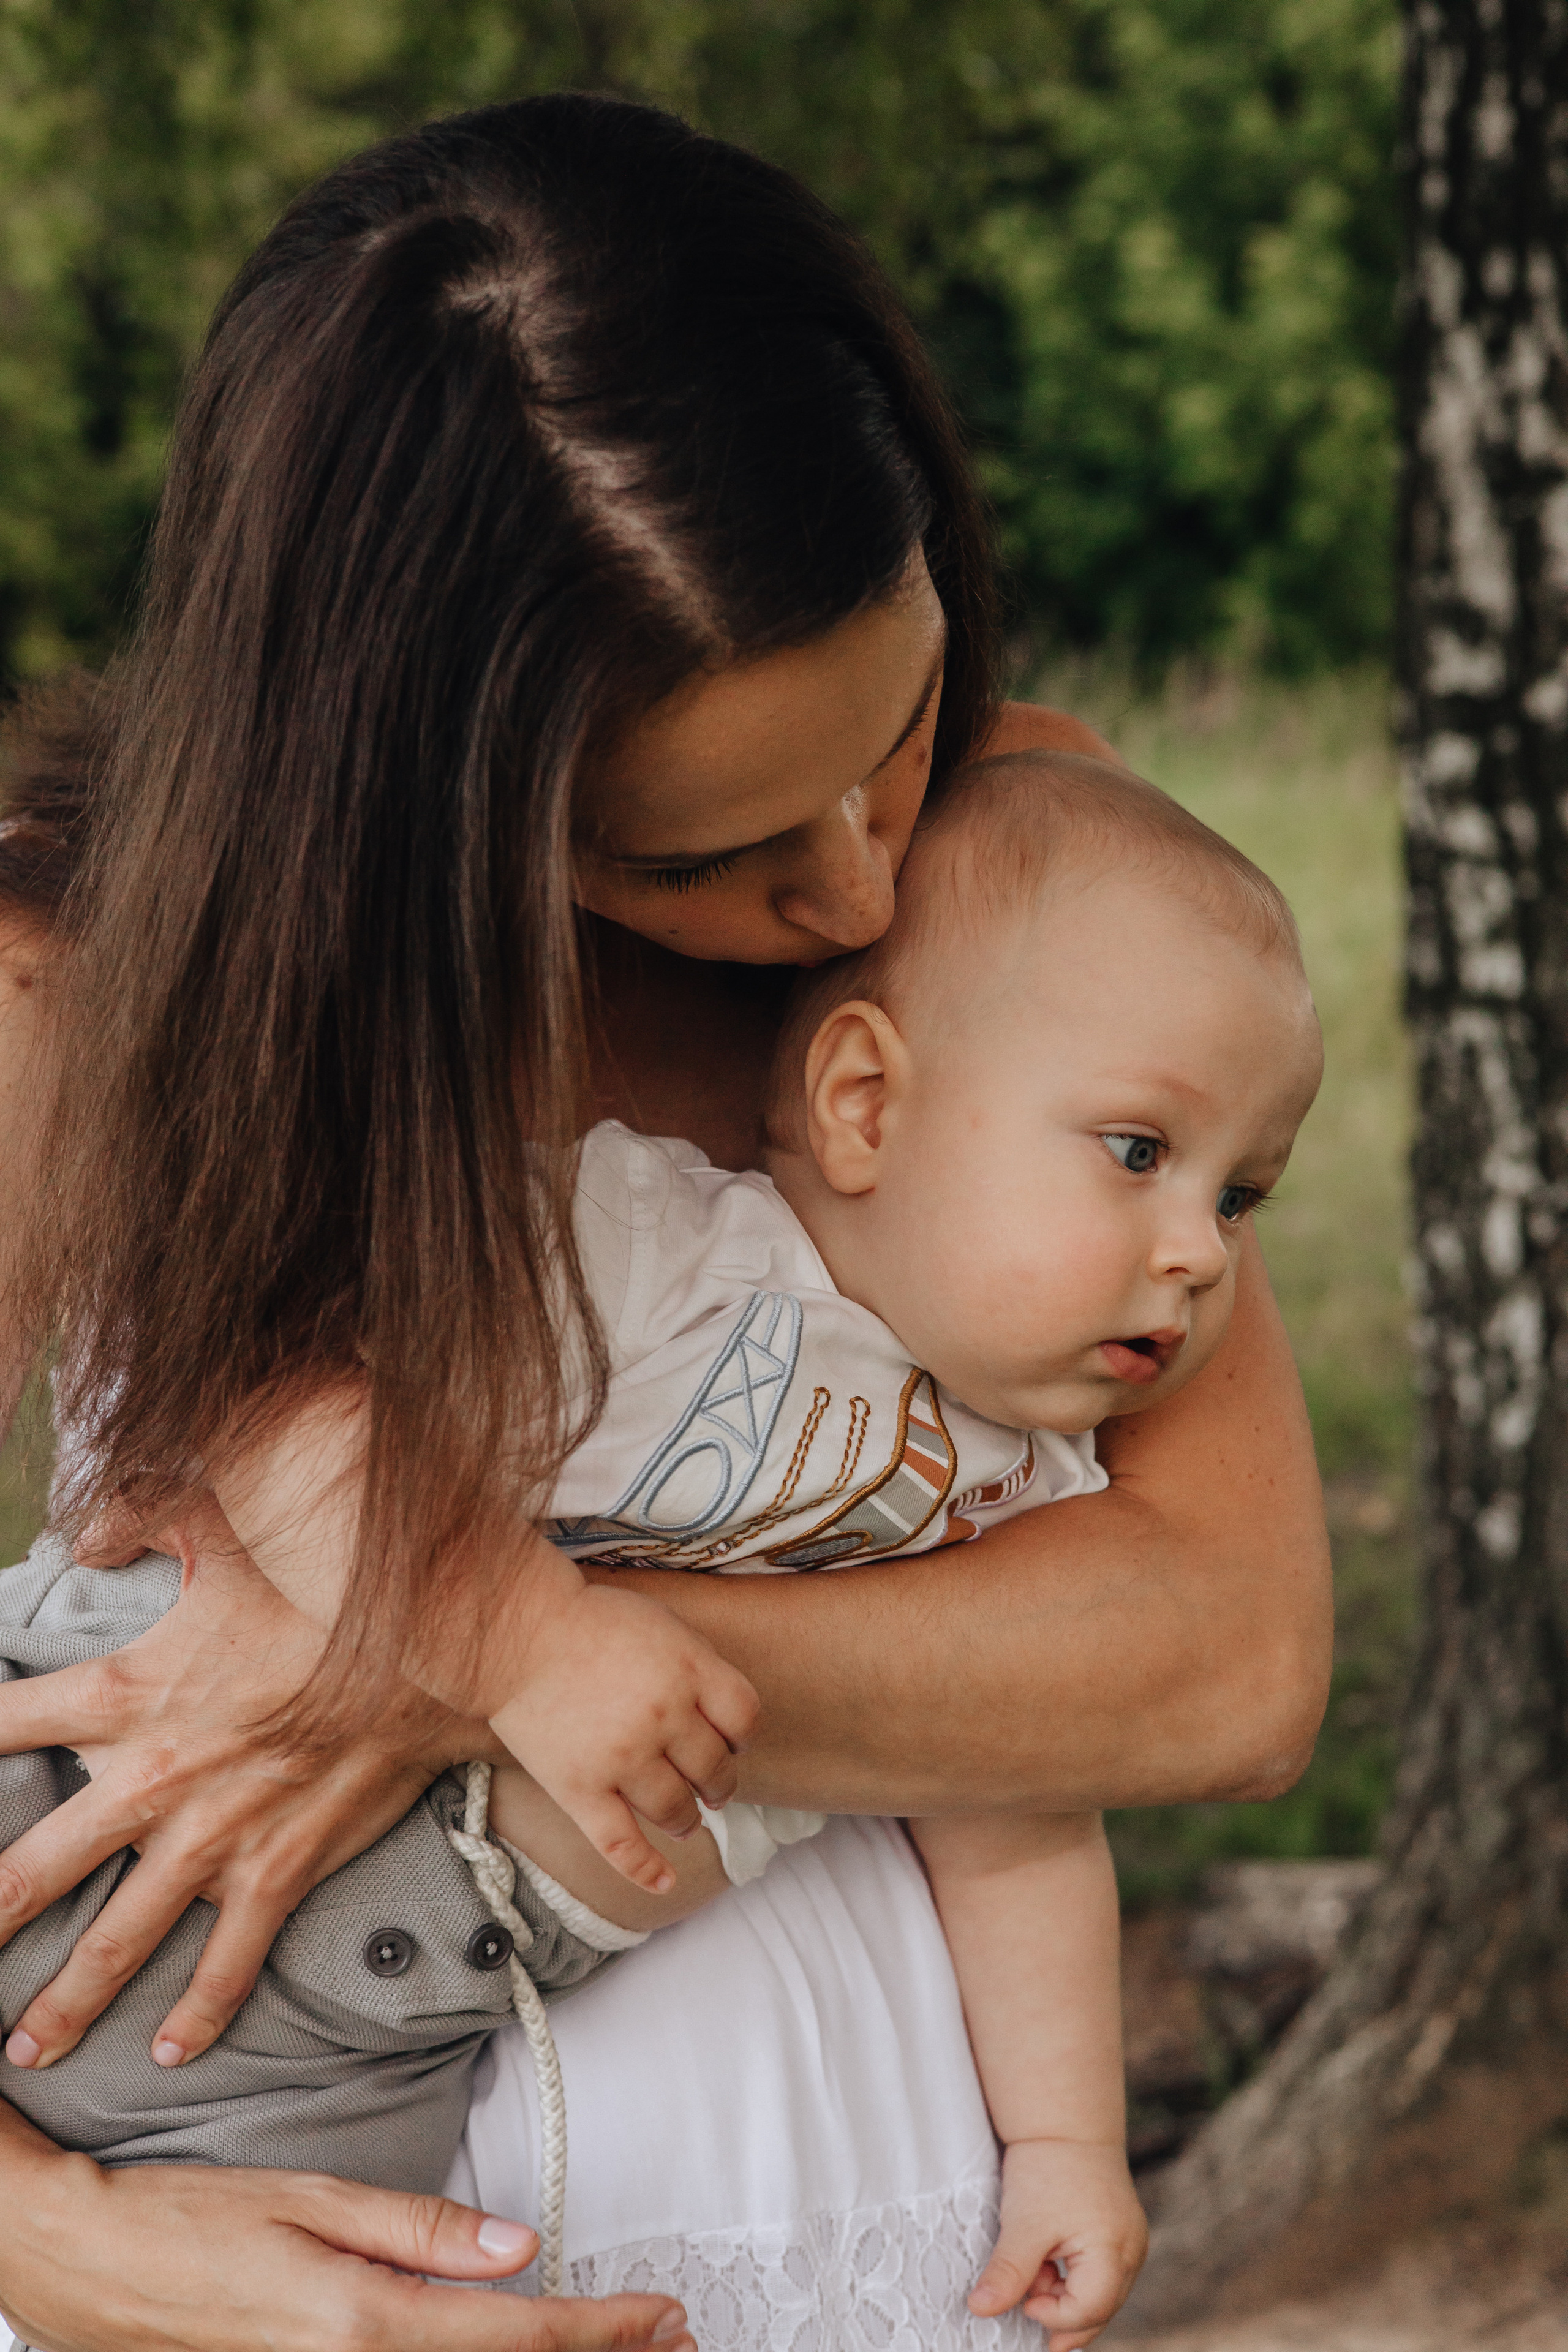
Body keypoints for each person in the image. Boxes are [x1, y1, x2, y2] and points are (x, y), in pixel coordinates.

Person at [0, 96, 1332, 2352]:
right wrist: (54, 2242)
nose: (861, 889)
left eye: (893, 728)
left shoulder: (1033, 880)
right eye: (698, 856)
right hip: (231, 2203)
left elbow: (1224, 1659)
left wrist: (453, 1654)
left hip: (864, 2175)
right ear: (406, 795)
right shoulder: (73, 994)